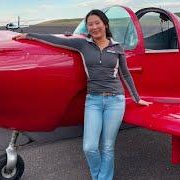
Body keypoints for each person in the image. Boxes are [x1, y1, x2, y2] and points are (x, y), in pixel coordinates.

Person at [13, 9, 152, 180]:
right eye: (90, 24)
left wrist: (137, 98)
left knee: (108, 147)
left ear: (105, 24)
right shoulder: (83, 45)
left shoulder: (117, 47)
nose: (94, 27)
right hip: (93, 101)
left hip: (115, 101)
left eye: (97, 23)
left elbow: (125, 75)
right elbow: (54, 40)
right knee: (89, 147)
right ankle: (98, 176)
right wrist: (29, 35)